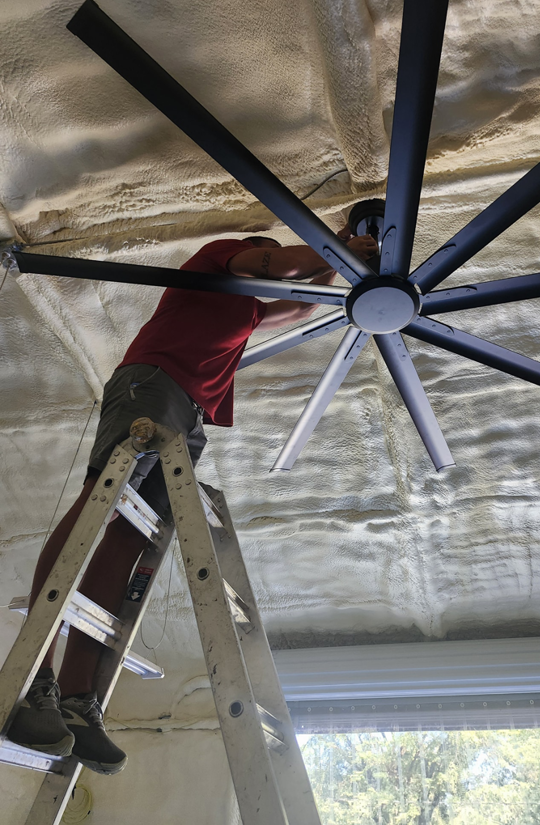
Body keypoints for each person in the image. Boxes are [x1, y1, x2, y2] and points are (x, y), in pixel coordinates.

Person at [8, 228, 378, 774]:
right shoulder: (213, 259)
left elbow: (299, 307)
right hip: (152, 385)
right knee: (101, 506)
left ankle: (74, 699)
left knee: (131, 538)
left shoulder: (246, 310)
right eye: (257, 255)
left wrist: (341, 269)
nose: (260, 264)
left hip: (188, 414)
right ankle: (35, 676)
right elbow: (278, 264)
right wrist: (340, 246)